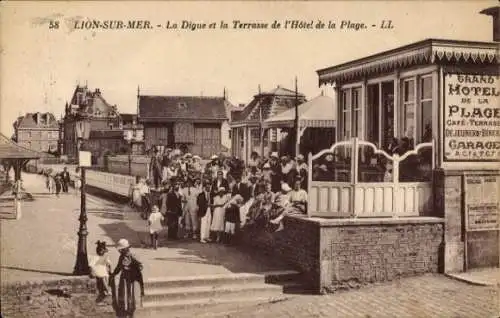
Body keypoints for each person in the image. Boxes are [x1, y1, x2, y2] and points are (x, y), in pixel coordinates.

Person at [111, 239, 144, 318]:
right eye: (120, 250)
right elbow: (118, 267)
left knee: (132, 295)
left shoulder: (133, 255)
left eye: (121, 250)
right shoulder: (121, 257)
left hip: (132, 278)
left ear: (126, 248)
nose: (120, 251)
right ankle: (126, 311)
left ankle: (132, 312)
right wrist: (113, 274)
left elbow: (140, 266)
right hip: (125, 278)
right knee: (125, 294)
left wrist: (133, 268)